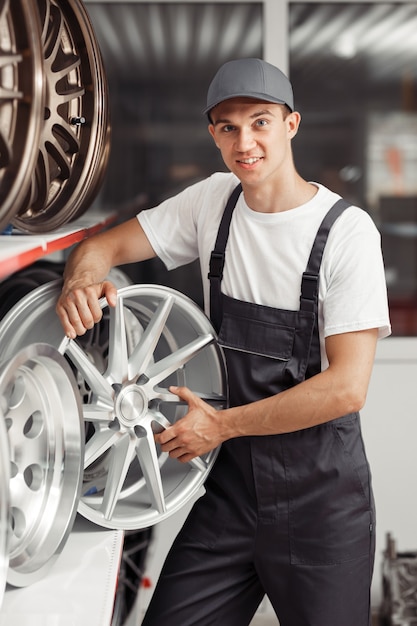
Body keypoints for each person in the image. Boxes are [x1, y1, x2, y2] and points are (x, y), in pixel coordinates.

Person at [57, 58, 391, 626]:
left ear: (291, 124)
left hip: (320, 506)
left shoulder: (345, 232)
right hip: (230, 495)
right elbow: (101, 248)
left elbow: (345, 389)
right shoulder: (214, 201)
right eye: (229, 127)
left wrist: (222, 425)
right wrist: (82, 279)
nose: (246, 142)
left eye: (261, 122)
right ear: (213, 134)